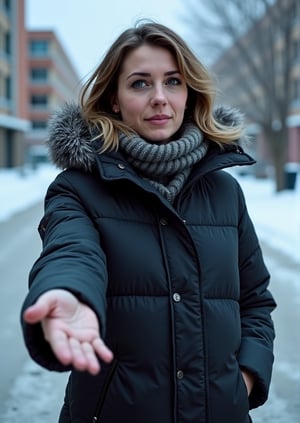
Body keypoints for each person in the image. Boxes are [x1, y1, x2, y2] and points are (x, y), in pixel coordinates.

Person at [21, 21, 276, 423]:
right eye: (140, 84)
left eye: (172, 81)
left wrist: (244, 378)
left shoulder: (225, 192)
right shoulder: (78, 189)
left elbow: (256, 300)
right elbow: (71, 251)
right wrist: (68, 293)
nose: (159, 97)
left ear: (189, 92)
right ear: (116, 99)